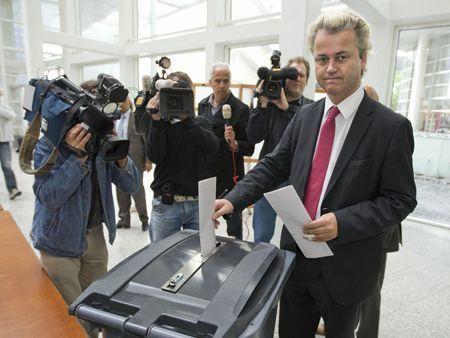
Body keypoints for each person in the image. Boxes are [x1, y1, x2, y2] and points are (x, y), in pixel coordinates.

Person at [213, 9, 417, 338]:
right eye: (322, 58)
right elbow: (273, 165)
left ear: (363, 59)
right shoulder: (306, 116)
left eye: (342, 56)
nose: (330, 67)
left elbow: (400, 199)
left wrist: (343, 222)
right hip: (296, 258)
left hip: (348, 265)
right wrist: (233, 200)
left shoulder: (390, 127)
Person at [31, 122, 140, 337]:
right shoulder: (48, 145)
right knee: (68, 319)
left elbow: (133, 186)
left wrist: (120, 155)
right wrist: (77, 157)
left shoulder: (100, 144)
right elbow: (48, 196)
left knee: (95, 312)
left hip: (95, 236)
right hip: (58, 241)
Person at [145, 71, 219, 242]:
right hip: (166, 202)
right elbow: (155, 156)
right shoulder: (160, 125)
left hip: (198, 204)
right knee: (161, 260)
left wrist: (187, 120)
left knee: (200, 256)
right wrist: (156, 120)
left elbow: (213, 148)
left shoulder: (200, 123)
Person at [247, 56, 313, 243]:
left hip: (298, 182)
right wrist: (262, 105)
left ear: (307, 80)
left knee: (298, 237)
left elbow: (305, 138)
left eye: (302, 75)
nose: (297, 78)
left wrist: (286, 108)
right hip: (269, 179)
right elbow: (253, 137)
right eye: (292, 75)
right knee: (261, 236)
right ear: (283, 78)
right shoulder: (269, 103)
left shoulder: (313, 108)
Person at [198, 63, 254, 240]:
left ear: (230, 82)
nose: (221, 85)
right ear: (210, 82)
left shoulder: (241, 109)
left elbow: (250, 147)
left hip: (231, 174)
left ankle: (236, 256)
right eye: (217, 81)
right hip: (207, 172)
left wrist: (235, 143)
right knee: (206, 220)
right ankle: (206, 249)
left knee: (234, 223)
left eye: (226, 81)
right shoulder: (202, 105)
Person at [115, 95, 152, 231]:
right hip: (117, 158)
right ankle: (124, 219)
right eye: (118, 101)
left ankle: (144, 219)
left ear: (128, 101)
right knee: (120, 189)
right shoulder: (114, 119)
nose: (120, 103)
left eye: (122, 100)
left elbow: (146, 140)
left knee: (137, 189)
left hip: (136, 158)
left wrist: (148, 160)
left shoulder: (136, 117)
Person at [0, 89, 22, 200]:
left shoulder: (3, 104)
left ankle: (13, 189)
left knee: (6, 165)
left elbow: (12, 115)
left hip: (3, 141)